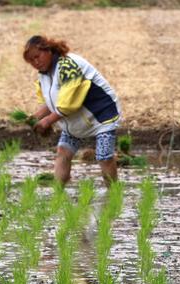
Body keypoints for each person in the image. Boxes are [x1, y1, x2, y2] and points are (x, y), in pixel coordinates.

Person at [22, 35, 121, 186]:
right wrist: (34, 118)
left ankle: (114, 194)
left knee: (103, 157)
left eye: (38, 56)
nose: (36, 62)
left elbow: (68, 104)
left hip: (101, 115)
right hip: (76, 121)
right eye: (31, 61)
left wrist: (47, 121)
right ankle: (58, 196)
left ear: (48, 50)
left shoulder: (67, 65)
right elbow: (51, 104)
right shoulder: (44, 75)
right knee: (63, 151)